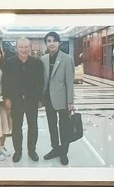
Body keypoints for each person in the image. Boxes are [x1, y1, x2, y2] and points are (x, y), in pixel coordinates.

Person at [2, 37, 44, 162]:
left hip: (32, 100)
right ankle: (18, 151)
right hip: (16, 100)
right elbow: (5, 82)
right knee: (16, 127)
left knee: (33, 127)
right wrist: (7, 98)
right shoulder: (9, 63)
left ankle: (32, 150)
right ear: (16, 48)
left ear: (30, 48)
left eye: (26, 47)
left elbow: (41, 82)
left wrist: (40, 99)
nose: (24, 49)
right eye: (21, 47)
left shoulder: (37, 63)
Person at [40, 31, 75, 165]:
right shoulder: (43, 59)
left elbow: (69, 82)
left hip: (62, 99)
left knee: (64, 127)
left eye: (54, 40)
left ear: (59, 43)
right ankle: (55, 149)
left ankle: (63, 152)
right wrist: (41, 98)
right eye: (49, 41)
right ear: (46, 44)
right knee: (52, 126)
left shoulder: (67, 59)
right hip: (48, 99)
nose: (52, 43)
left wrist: (70, 101)